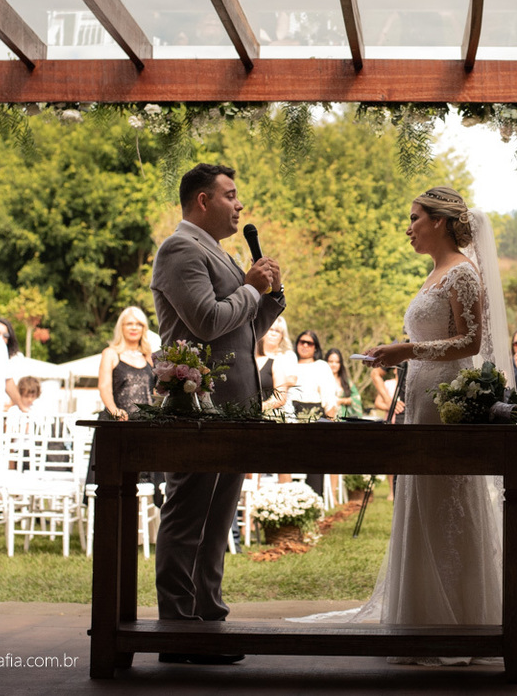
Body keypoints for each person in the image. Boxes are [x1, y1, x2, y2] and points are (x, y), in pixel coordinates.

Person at [338, 186, 517, 666]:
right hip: (423, 397)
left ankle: (458, 622)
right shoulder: (434, 273)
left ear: (441, 221)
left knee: (446, 498)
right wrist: (398, 352)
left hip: (447, 399)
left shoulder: (463, 275)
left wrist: (407, 350)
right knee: (421, 499)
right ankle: (419, 620)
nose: (408, 227)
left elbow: (470, 342)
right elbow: (435, 336)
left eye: (415, 218)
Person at [150, 163, 285, 666]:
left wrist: (269, 295)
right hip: (196, 404)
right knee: (188, 514)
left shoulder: (220, 252)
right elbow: (207, 322)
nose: (240, 205)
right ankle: (176, 628)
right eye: (231, 195)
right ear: (203, 200)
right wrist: (251, 289)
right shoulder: (179, 248)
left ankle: (208, 615)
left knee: (218, 517)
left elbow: (245, 329)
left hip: (235, 405)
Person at [98, 306, 155, 421]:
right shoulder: (111, 354)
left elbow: (155, 392)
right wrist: (115, 411)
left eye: (139, 324)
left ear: (144, 328)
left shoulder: (148, 356)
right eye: (129, 324)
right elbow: (104, 387)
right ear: (121, 327)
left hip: (146, 424)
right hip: (117, 422)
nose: (134, 328)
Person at [289, 330, 339, 420]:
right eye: (302, 342)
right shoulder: (289, 365)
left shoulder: (321, 366)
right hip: (290, 416)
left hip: (315, 417)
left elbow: (329, 400)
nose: (305, 345)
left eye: (309, 343)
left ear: (315, 347)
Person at [255, 316, 297, 412]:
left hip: (280, 406)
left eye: (277, 331)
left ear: (282, 335)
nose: (273, 334)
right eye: (270, 330)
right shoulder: (255, 354)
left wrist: (273, 380)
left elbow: (292, 380)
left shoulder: (288, 355)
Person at [326, 348, 363, 419]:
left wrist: (341, 401)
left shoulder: (346, 381)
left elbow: (357, 398)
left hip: (342, 419)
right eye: (331, 361)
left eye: (337, 362)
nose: (334, 364)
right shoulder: (320, 380)